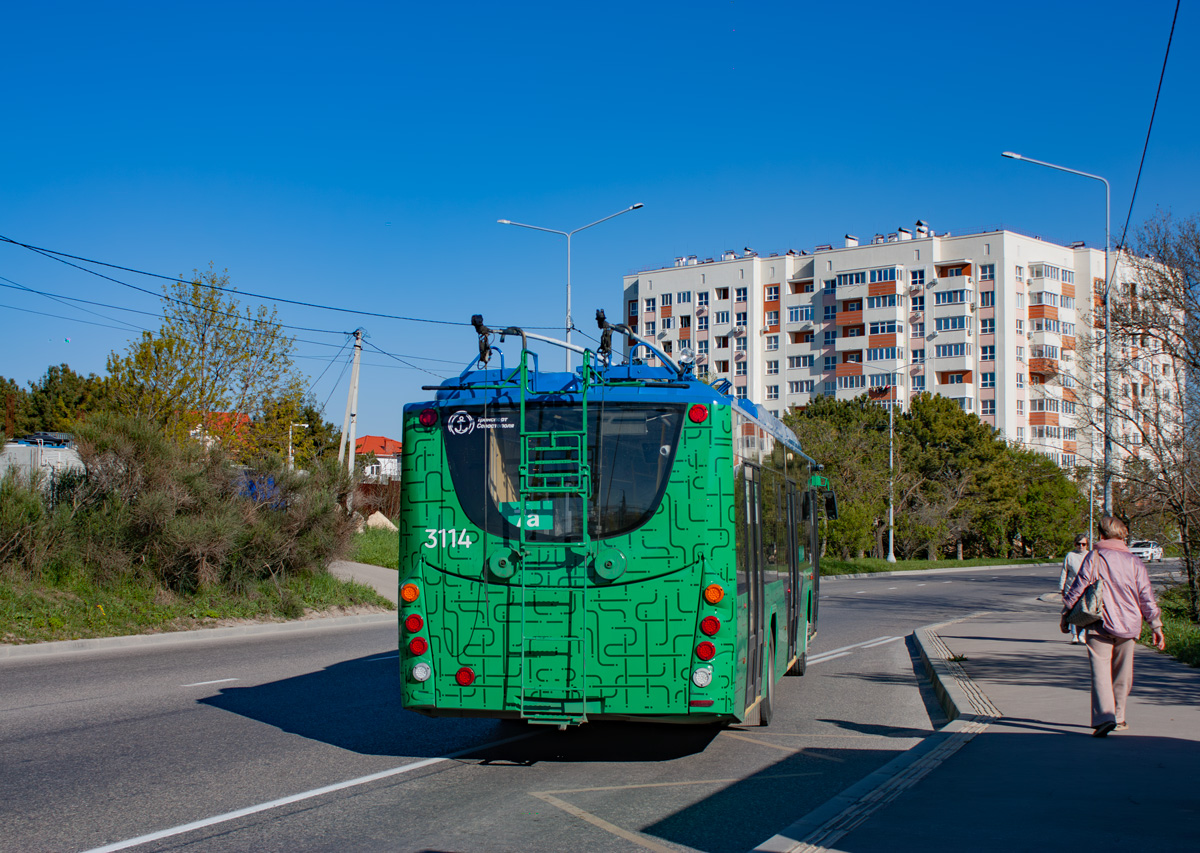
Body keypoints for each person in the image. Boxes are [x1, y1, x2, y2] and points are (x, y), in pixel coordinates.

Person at [1061, 514, 1165, 738]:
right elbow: (1146, 596)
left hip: (1098, 623)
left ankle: (1104, 718)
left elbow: (1078, 588)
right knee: (1123, 674)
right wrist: (1156, 626)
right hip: (1129, 625)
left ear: (1100, 535)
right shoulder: (1135, 561)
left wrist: (1066, 615)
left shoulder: (1094, 557)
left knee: (1100, 673)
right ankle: (1118, 717)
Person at [1059, 533, 1090, 644]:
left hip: (1085, 588)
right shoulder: (1070, 555)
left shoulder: (1089, 555)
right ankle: (1075, 635)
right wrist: (1062, 587)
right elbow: (1064, 572)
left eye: (1083, 544)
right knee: (1072, 611)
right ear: (1075, 544)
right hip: (1071, 587)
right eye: (1078, 544)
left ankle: (1082, 634)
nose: (1081, 546)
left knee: (1083, 612)